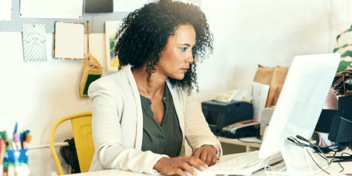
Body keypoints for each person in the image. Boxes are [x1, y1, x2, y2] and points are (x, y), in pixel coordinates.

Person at [88, 0, 222, 175]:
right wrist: (160, 162)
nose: (190, 58)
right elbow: (107, 152)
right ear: (154, 46)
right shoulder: (107, 89)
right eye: (183, 48)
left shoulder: (181, 91)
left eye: (192, 49)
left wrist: (209, 147)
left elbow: (204, 136)